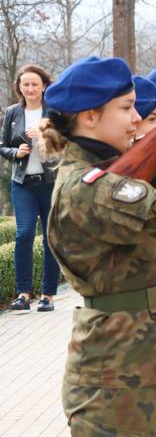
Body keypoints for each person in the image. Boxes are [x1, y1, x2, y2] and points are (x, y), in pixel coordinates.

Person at [41, 55, 156, 434]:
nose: (137, 117)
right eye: (125, 108)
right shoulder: (84, 187)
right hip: (115, 379)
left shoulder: (116, 170)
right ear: (89, 116)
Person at [1, 64, 59, 311]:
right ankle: (23, 294)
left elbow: (66, 143)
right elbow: (2, 145)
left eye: (35, 84)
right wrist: (17, 152)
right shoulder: (12, 112)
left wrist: (44, 134)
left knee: (49, 238)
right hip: (22, 183)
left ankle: (48, 296)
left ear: (44, 86)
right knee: (24, 235)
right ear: (20, 87)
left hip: (50, 183)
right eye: (25, 84)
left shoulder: (55, 112)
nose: (30, 88)